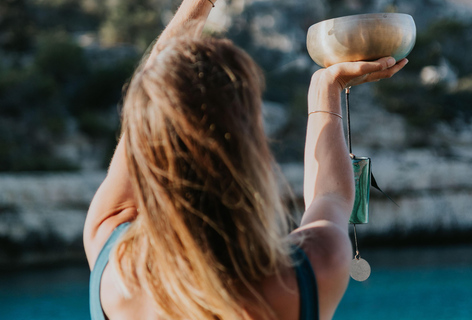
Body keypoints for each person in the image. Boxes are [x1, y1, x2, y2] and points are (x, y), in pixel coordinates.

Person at [83, 0, 408, 319]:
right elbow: (331, 197)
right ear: (248, 146)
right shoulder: (311, 272)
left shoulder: (112, 264)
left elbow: (153, 90)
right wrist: (326, 87)